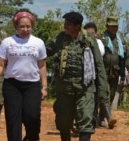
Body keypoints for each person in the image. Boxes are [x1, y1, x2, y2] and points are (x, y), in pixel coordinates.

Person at [46, 11, 108, 141]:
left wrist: (103, 90)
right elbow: (44, 50)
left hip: (85, 88)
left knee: (86, 120)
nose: (65, 26)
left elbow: (99, 65)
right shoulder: (60, 38)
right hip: (64, 88)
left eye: (68, 24)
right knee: (63, 121)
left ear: (77, 26)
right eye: (65, 23)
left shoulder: (89, 40)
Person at [0, 9, 47, 141]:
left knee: (32, 116)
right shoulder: (8, 42)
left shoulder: (38, 43)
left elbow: (42, 65)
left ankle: (31, 137)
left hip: (32, 85)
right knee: (13, 120)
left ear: (32, 26)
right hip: (12, 85)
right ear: (16, 26)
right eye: (21, 26)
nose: (25, 29)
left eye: (28, 26)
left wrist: (44, 86)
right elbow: (0, 63)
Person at [83, 22, 117, 129]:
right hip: (87, 75)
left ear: (96, 33)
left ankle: (108, 118)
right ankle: (93, 119)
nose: (90, 35)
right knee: (90, 98)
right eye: (88, 33)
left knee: (103, 95)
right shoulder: (81, 42)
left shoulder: (99, 43)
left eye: (92, 33)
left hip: (98, 73)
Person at [100, 15, 127, 127]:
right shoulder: (102, 38)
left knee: (111, 94)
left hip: (115, 72)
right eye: (111, 26)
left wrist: (123, 74)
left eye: (115, 27)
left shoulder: (120, 39)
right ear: (107, 26)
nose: (113, 29)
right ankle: (108, 118)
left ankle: (100, 118)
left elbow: (124, 57)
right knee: (104, 94)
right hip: (103, 71)